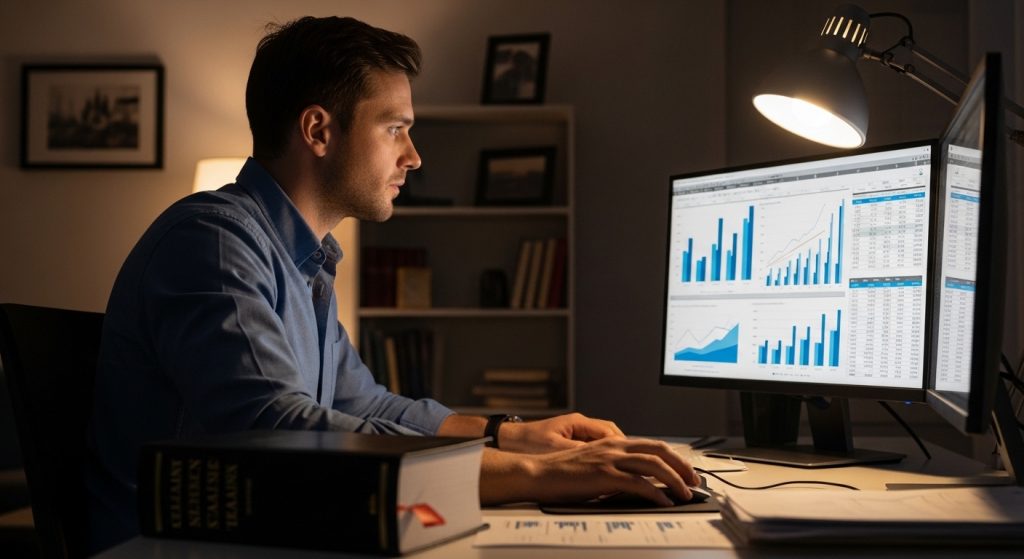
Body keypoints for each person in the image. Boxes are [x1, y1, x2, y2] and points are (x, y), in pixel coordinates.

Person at [85, 15, 699, 554]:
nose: (414, 156)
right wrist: (535, 475)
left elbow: (366, 405)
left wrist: (511, 435)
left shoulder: (304, 261)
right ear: (319, 131)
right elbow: (278, 432)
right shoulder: (215, 243)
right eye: (394, 129)